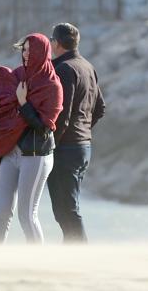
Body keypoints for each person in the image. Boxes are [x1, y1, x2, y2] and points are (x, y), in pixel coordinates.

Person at [0, 33, 63, 244]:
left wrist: (23, 102)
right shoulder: (17, 76)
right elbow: (2, 104)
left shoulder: (53, 86)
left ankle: (39, 264)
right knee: (1, 212)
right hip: (11, 152)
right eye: (23, 50)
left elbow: (44, 127)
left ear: (42, 52)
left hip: (36, 154)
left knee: (26, 215)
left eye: (30, 50)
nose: (25, 55)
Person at [47, 23, 106, 243]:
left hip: (66, 148)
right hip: (83, 147)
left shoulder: (64, 69)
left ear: (57, 43)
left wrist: (53, 143)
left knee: (65, 209)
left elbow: (63, 113)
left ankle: (80, 255)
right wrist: (82, 131)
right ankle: (71, 251)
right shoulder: (87, 66)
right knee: (68, 206)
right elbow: (100, 108)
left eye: (52, 40)